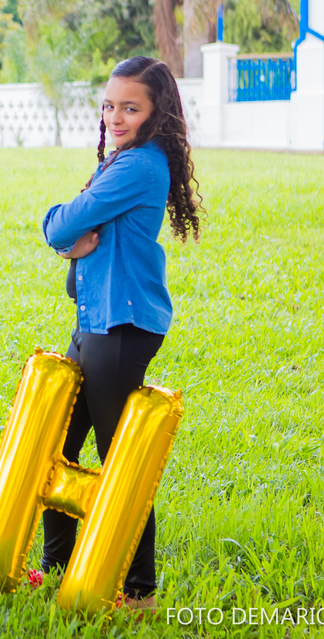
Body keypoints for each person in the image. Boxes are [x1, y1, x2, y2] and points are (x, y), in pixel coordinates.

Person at [40, 56, 203, 611]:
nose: (114, 117)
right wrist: (73, 242)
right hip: (97, 321)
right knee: (57, 449)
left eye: (130, 108)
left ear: (157, 113)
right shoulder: (123, 159)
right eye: (109, 105)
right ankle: (57, 568)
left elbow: (63, 223)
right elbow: (78, 236)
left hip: (121, 326)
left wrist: (63, 232)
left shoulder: (138, 165)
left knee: (119, 463)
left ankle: (139, 592)